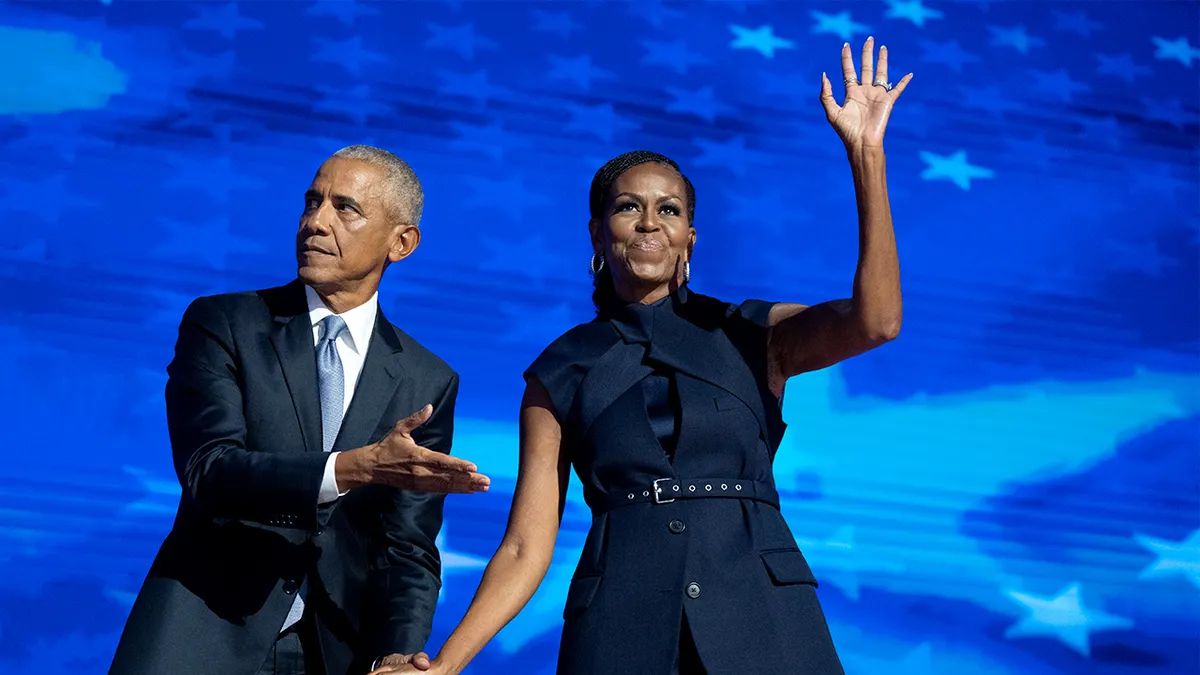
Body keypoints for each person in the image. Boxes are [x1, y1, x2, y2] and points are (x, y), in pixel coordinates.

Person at [372, 40, 910, 675]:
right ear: (598, 234)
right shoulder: (561, 368)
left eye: (669, 210)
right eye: (628, 207)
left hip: (766, 621)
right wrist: (445, 665)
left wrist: (867, 156)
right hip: (620, 631)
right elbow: (524, 546)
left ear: (689, 239)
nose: (650, 222)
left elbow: (877, 322)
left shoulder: (752, 333)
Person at [109, 145, 491, 675]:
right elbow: (209, 471)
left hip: (333, 652)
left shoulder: (427, 379)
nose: (315, 222)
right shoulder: (225, 323)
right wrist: (355, 468)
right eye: (312, 202)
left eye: (345, 208)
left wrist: (398, 654)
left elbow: (409, 546)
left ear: (401, 242)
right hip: (201, 639)